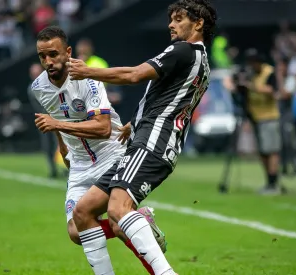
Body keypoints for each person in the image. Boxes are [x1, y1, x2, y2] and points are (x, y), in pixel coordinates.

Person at [68, 1, 217, 274]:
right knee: (81, 217)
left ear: (198, 24)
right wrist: (134, 124)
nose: (171, 24)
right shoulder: (202, 61)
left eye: (179, 18)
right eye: (170, 19)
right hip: (148, 140)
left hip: (153, 143)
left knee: (118, 208)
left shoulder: (183, 50)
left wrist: (86, 70)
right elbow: (171, 100)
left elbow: (135, 75)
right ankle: (139, 222)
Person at [28, 26, 166, 275]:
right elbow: (55, 113)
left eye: (54, 54)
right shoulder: (39, 87)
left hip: (110, 155)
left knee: (119, 221)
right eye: (42, 56)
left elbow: (102, 129)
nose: (48, 61)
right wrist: (62, 146)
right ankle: (141, 221)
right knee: (75, 231)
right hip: (80, 164)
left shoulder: (88, 78)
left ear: (68, 52)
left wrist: (57, 125)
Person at [242, 50, 284, 195]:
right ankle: (269, 182)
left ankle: (274, 184)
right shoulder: (251, 74)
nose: (251, 65)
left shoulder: (269, 72)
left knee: (271, 150)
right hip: (256, 117)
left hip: (269, 117)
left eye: (253, 62)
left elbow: (273, 91)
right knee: (262, 152)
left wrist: (251, 86)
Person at [28, 63, 60, 178]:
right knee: (47, 146)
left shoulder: (52, 82)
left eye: (37, 73)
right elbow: (40, 106)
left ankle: (65, 167)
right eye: (33, 74)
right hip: (44, 119)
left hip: (57, 118)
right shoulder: (32, 89)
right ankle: (53, 169)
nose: (35, 75)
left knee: (60, 144)